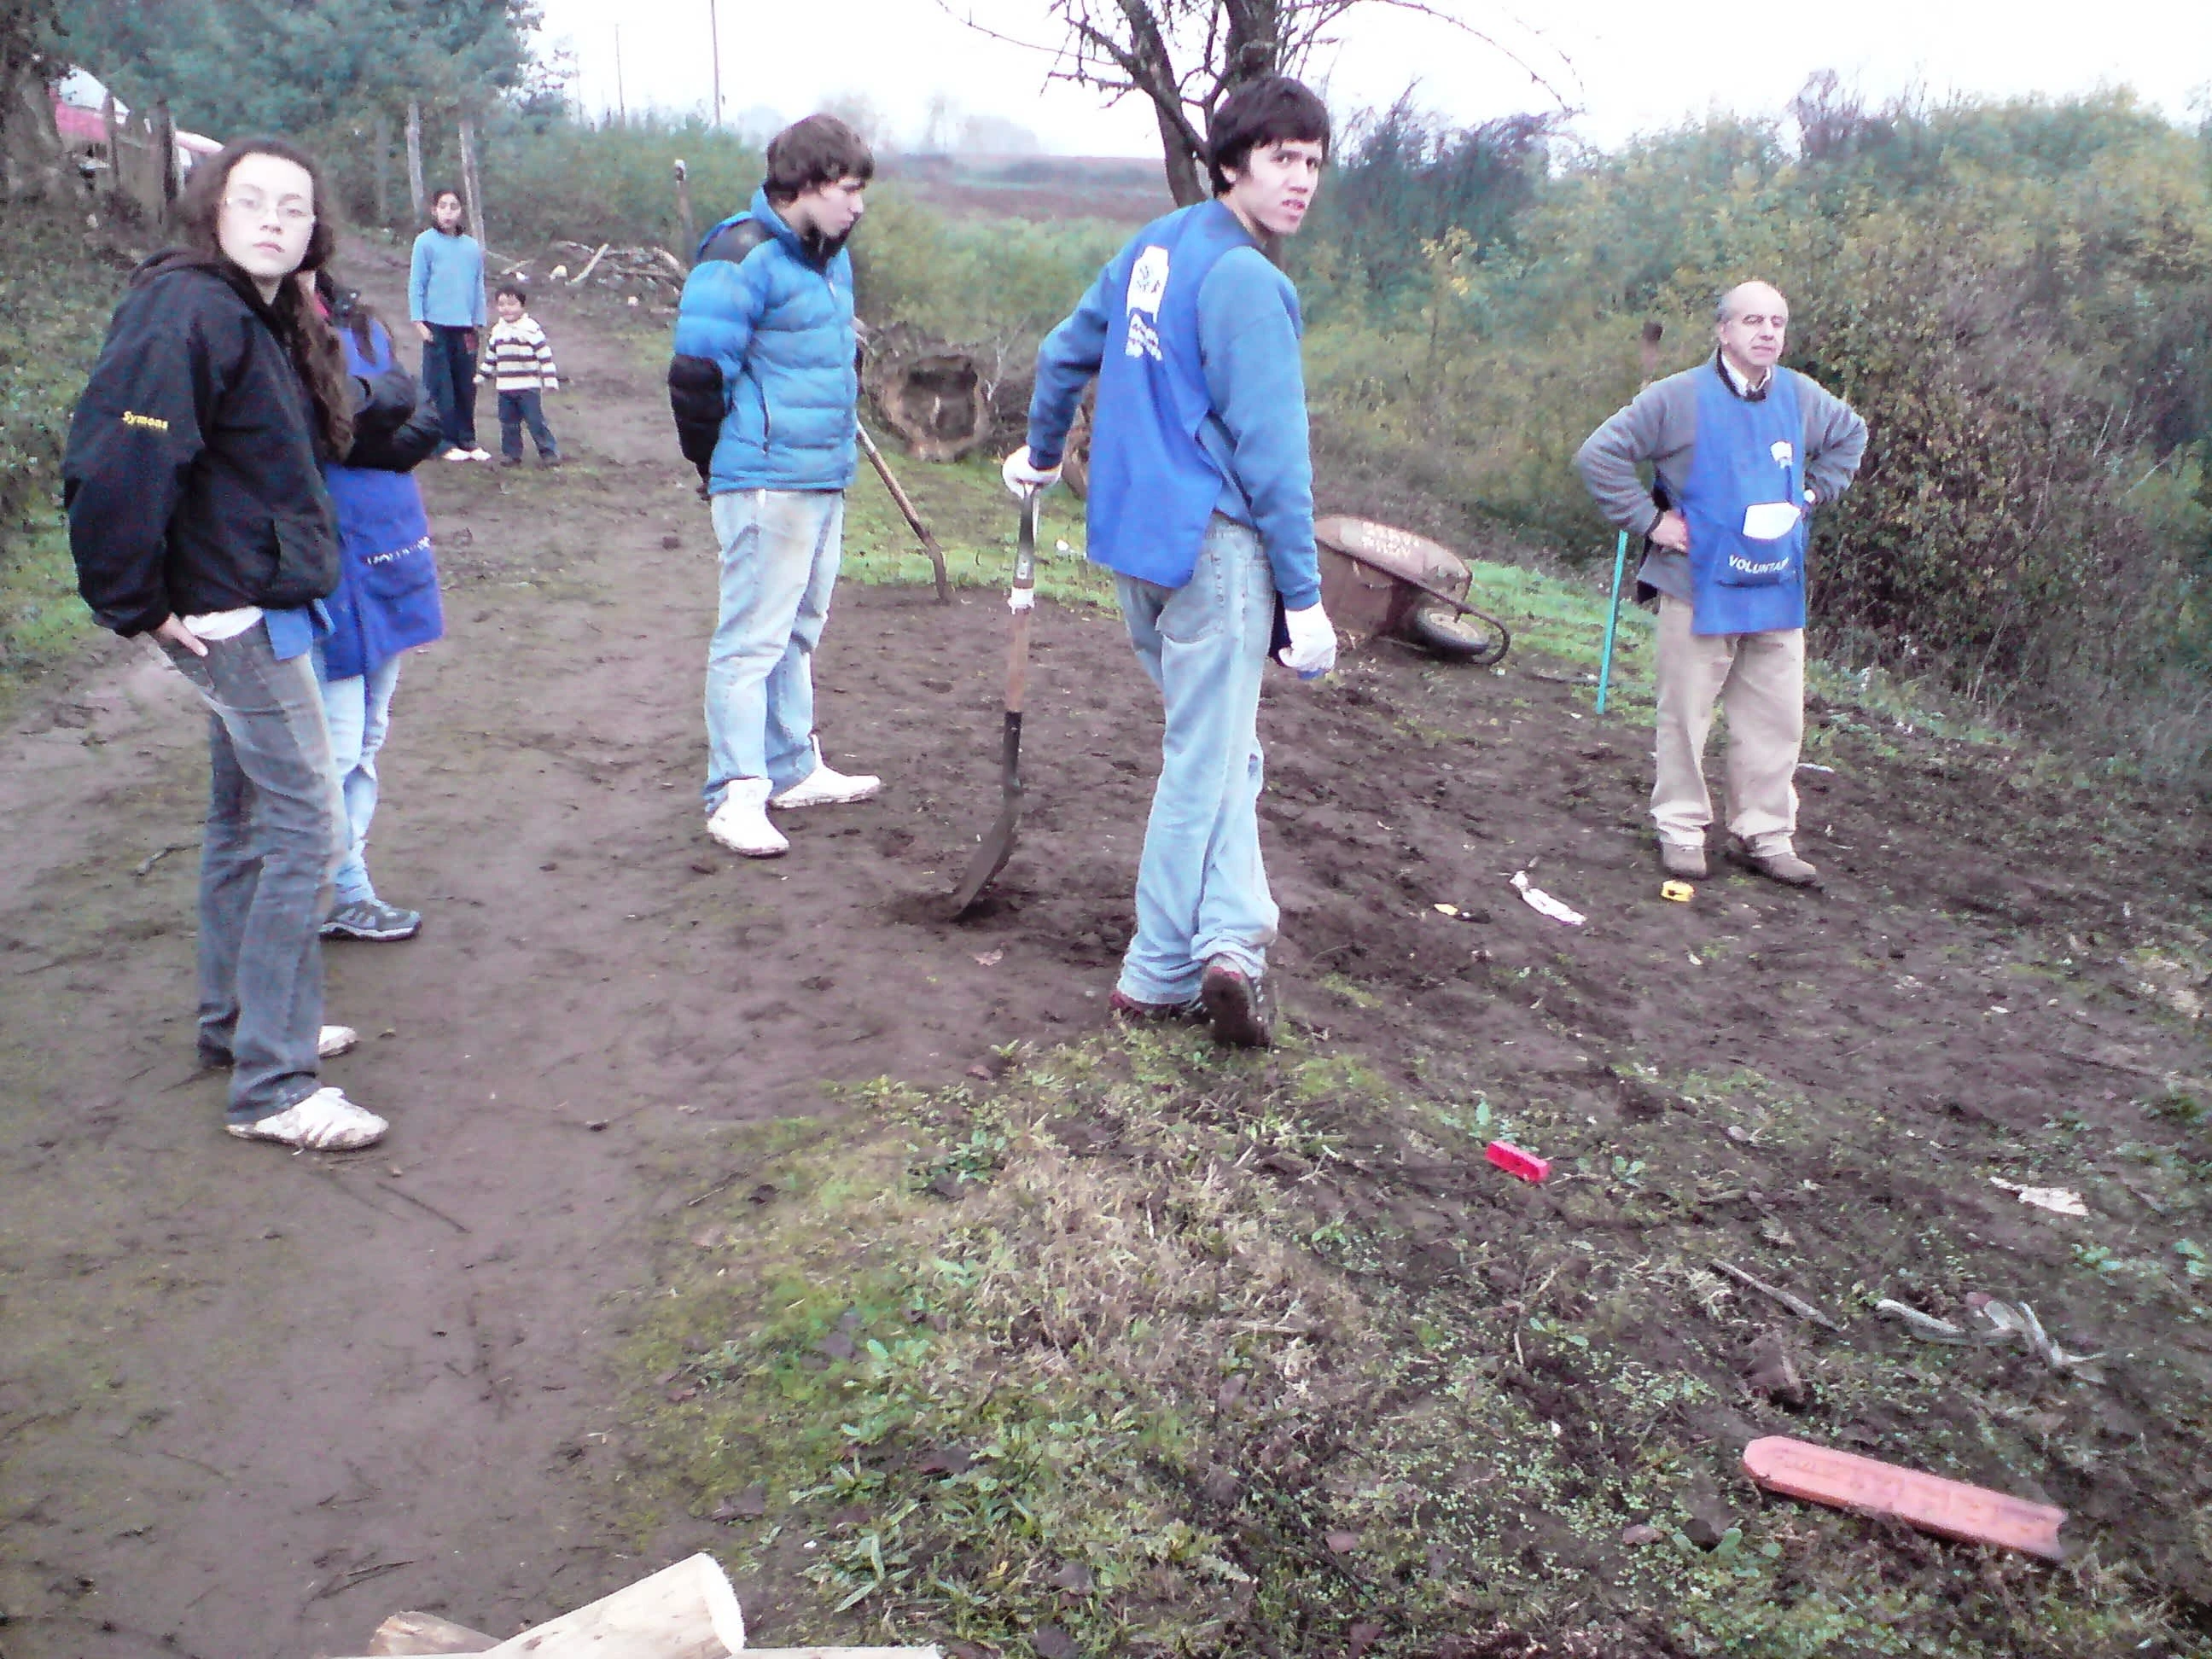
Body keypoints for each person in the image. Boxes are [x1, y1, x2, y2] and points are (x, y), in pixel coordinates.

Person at [62, 137, 388, 1150]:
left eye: (294, 208)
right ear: (212, 210)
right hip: (225, 615)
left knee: (245, 820)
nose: (274, 221)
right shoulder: (186, 310)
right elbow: (117, 456)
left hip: (248, 599)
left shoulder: (248, 310)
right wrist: (136, 599)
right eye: (254, 201)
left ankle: (238, 1025)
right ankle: (274, 1089)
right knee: (305, 828)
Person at [1001, 76, 1338, 1049]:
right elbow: (1277, 457)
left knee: (1226, 751)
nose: (1301, 181)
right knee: (1204, 761)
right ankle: (1155, 972)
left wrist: (1040, 450)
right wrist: (1306, 599)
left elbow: (1067, 351)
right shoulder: (1249, 284)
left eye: (1313, 162)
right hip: (1216, 553)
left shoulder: (1153, 246)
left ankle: (1232, 941)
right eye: (1281, 158)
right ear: (1231, 161)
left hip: (1138, 549)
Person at [1575, 281, 1868, 888]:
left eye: (1778, 322)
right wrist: (1652, 523)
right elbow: (1599, 455)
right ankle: (1681, 828)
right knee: (1685, 714)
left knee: (1777, 718)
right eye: (1753, 321)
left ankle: (1765, 833)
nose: (1767, 332)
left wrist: (1810, 494)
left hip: (1776, 584)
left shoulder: (1802, 397)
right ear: (1724, 331)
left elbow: (1851, 436)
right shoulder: (1676, 398)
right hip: (1695, 583)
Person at [668, 114, 882, 859]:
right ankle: (735, 794)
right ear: (808, 184)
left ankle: (793, 768)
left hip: (824, 475)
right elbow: (696, 376)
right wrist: (717, 470)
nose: (859, 206)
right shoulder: (737, 257)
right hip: (764, 480)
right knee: (750, 641)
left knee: (798, 630)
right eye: (849, 190)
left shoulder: (830, 258)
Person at [312, 270, 447, 943]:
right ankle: (326, 890)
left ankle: (346, 884)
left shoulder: (358, 317)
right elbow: (315, 426)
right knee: (331, 745)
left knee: (366, 735)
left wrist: (374, 415)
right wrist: (375, 415)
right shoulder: (257, 323)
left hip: (388, 543)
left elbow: (421, 413)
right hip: (321, 559)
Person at [409, 186, 489, 462]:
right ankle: (440, 442)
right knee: (439, 386)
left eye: (453, 206)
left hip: (465, 327)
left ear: (461, 211)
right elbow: (417, 283)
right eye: (443, 206)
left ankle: (467, 439)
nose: (448, 212)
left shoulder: (471, 247)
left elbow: (478, 285)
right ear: (434, 210)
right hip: (436, 327)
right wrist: (419, 321)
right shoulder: (425, 243)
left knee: (465, 385)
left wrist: (479, 320)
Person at [477, 282, 561, 467]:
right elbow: (491, 357)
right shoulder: (498, 332)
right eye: (502, 304)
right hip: (505, 388)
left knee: (535, 421)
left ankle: (548, 452)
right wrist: (483, 375)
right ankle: (511, 454)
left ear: (522, 306)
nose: (507, 309)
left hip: (528, 387)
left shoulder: (530, 330)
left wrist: (550, 380)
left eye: (512, 304)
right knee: (508, 423)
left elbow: (544, 356)